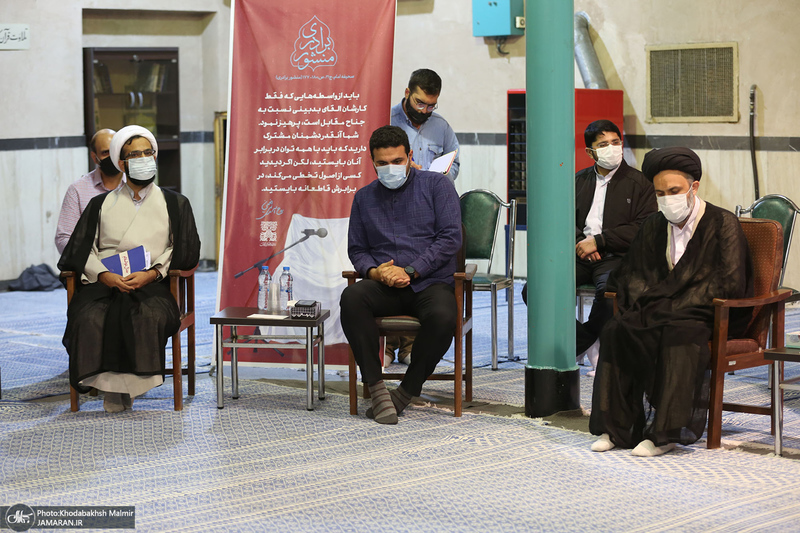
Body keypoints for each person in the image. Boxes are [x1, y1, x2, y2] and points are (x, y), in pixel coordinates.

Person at [589, 147, 753, 457]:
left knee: (677, 333)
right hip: (660, 309)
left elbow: (729, 282)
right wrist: (654, 301)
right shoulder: (652, 224)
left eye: (674, 191)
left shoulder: (723, 223)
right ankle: (617, 429)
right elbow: (634, 273)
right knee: (616, 330)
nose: (667, 199)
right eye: (660, 193)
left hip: (706, 314)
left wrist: (673, 301)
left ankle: (664, 435)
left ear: (694, 187)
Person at [59, 125, 200, 413]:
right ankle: (112, 388)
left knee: (147, 314)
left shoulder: (175, 203)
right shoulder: (100, 204)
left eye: (148, 152)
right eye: (135, 154)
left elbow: (183, 248)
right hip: (104, 283)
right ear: (122, 163)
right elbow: (82, 249)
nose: (144, 158)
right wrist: (104, 275)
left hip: (152, 283)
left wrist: (153, 273)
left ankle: (132, 386)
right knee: (90, 315)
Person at [340, 125, 461, 424]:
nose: (390, 168)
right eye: (382, 163)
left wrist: (410, 270)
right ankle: (377, 387)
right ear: (372, 162)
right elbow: (357, 249)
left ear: (409, 156)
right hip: (385, 286)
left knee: (445, 317)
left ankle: (407, 390)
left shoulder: (437, 186)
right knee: (351, 298)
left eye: (396, 161)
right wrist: (375, 272)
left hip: (429, 283)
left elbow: (450, 238)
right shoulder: (364, 198)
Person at [522, 120, 656, 375]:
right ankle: (588, 340)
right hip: (579, 254)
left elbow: (643, 227)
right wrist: (579, 242)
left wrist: (601, 241)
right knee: (536, 289)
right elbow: (561, 218)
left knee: (610, 293)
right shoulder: (578, 180)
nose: (612, 148)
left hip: (616, 256)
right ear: (590, 152)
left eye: (615, 142)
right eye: (603, 144)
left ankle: (587, 339)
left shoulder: (640, 183)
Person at [387, 68, 460, 366]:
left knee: (420, 273)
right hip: (389, 206)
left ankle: (410, 347)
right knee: (391, 268)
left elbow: (454, 164)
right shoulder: (386, 117)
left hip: (426, 210)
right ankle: (389, 345)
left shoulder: (440, 127)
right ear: (407, 93)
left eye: (431, 105)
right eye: (420, 103)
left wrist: (438, 177)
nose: (425, 110)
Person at [55, 129, 125, 254]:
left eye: (115, 151)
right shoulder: (78, 190)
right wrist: (89, 257)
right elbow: (63, 239)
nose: (112, 157)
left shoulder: (136, 186)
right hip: (91, 263)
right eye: (105, 153)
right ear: (95, 157)